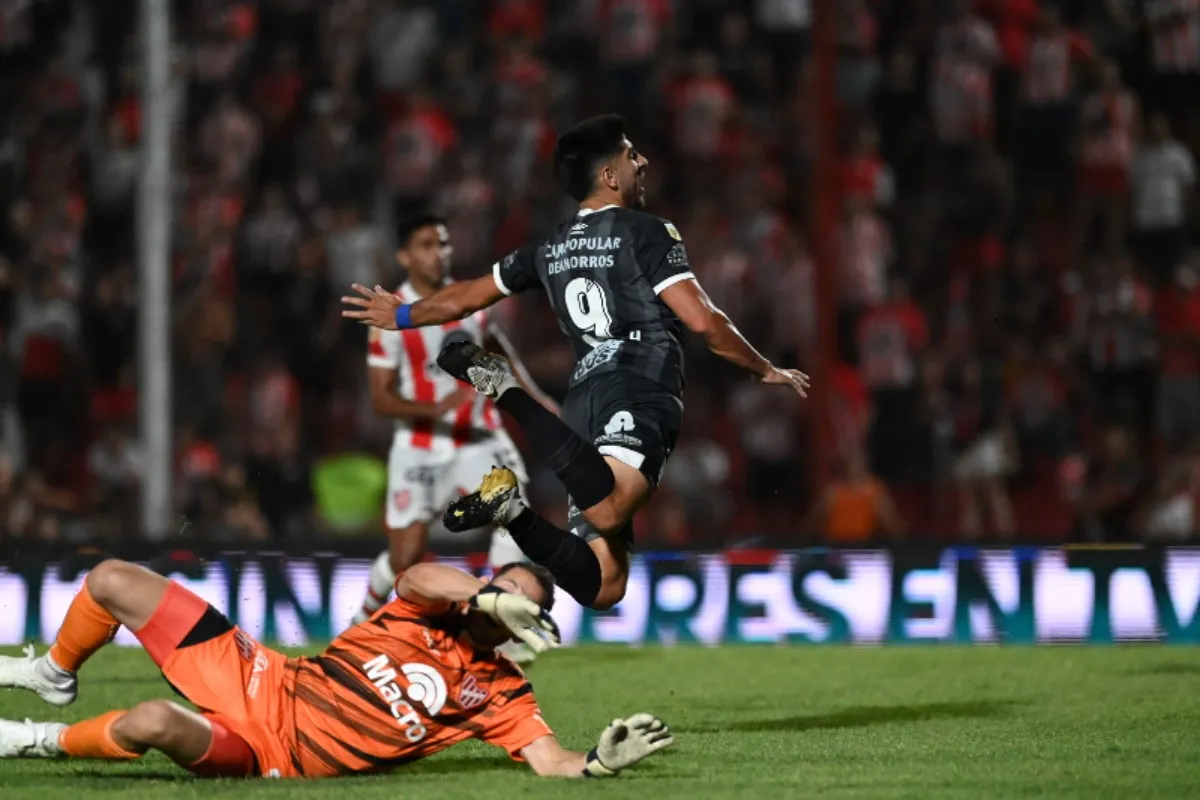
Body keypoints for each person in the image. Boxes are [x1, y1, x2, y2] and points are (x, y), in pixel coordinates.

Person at [342, 114, 810, 611]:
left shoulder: (548, 247)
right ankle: (508, 392)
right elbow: (703, 321)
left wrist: (406, 313)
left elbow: (467, 296)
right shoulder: (648, 232)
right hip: (639, 382)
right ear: (609, 176)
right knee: (608, 510)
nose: (642, 161)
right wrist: (763, 368)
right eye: (632, 155)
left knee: (603, 585)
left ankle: (512, 510)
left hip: (582, 402)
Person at [0, 559, 673, 778]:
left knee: (150, 720)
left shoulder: (499, 689)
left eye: (523, 605)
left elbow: (548, 759)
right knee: (112, 578)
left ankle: (35, 739)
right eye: (503, 588)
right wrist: (486, 594)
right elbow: (417, 573)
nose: (506, 606)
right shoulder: (425, 607)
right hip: (260, 672)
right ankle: (57, 673)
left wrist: (595, 764)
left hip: (273, 749)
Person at [354, 212, 553, 664]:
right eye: (426, 245)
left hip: (478, 438)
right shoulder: (391, 315)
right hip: (421, 444)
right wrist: (436, 409)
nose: (439, 253)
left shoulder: (468, 300)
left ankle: (496, 624)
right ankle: (361, 622)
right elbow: (381, 400)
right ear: (404, 256)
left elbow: (502, 352)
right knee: (405, 556)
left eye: (443, 243)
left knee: (512, 510)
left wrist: (538, 399)